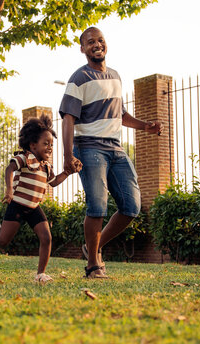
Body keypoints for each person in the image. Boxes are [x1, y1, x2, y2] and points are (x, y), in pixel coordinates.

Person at [59, 27, 161, 279]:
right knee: (97, 206)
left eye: (100, 40)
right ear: (82, 48)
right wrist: (67, 155)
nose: (97, 44)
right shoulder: (78, 78)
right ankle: (93, 264)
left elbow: (120, 114)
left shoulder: (115, 76)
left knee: (131, 206)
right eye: (90, 42)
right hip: (89, 146)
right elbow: (68, 119)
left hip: (115, 147)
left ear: (106, 45)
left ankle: (93, 247)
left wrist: (145, 126)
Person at [0, 114, 81, 283]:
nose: (49, 147)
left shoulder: (46, 167)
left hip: (34, 208)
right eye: (45, 143)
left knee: (46, 238)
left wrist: (68, 172)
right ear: (33, 145)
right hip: (17, 204)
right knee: (2, 241)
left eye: (51, 144)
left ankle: (40, 274)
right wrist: (9, 191)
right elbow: (9, 169)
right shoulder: (24, 158)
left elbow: (53, 183)